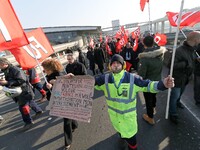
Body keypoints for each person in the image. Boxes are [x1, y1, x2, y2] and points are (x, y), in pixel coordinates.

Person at [94, 54, 174, 150]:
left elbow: (148, 85)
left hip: (128, 121)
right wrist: (74, 79)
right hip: (115, 118)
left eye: (118, 63)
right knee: (120, 133)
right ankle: (122, 138)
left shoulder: (132, 78)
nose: (115, 65)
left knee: (132, 142)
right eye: (113, 63)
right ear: (110, 66)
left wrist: (163, 84)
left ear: (123, 65)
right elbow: (90, 82)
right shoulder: (105, 79)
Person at [0, 58, 43, 130]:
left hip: (23, 90)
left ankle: (28, 122)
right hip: (21, 90)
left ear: (4, 64)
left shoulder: (14, 69)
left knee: (22, 107)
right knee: (30, 101)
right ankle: (38, 110)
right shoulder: (7, 70)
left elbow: (22, 80)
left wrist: (7, 82)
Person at [168, 31, 200, 124]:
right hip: (177, 78)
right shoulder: (178, 51)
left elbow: (192, 58)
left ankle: (178, 102)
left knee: (179, 94)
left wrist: (196, 59)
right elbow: (171, 65)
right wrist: (186, 64)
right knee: (174, 96)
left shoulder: (193, 49)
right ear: (195, 39)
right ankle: (173, 113)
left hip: (186, 78)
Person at [138, 35, 167, 125]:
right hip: (157, 80)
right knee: (154, 96)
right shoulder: (160, 54)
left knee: (148, 100)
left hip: (148, 83)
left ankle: (150, 117)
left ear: (144, 44)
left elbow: (142, 75)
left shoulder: (144, 58)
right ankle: (153, 108)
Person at [63, 49, 87, 150]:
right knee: (68, 115)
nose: (69, 60)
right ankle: (68, 139)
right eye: (68, 58)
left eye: (70, 58)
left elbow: (85, 77)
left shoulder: (80, 65)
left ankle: (74, 123)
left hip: (79, 90)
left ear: (74, 57)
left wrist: (75, 78)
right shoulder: (67, 67)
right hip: (70, 91)